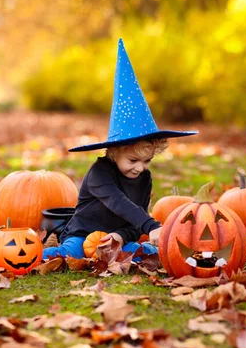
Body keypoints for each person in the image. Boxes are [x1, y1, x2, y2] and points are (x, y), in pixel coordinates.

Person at [43, 39, 197, 260]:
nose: (140, 168)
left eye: (147, 161)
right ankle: (39, 254)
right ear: (114, 152)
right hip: (84, 235)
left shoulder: (145, 178)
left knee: (140, 253)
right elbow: (118, 203)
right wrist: (152, 225)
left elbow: (136, 220)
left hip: (115, 240)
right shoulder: (100, 172)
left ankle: (140, 250)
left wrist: (121, 235)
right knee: (74, 254)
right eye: (133, 160)